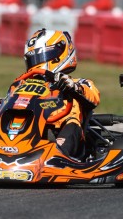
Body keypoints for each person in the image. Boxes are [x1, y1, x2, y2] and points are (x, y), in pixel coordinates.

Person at [17, 28, 100, 159]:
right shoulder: (23, 85)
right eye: (33, 59)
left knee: (71, 123)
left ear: (57, 57)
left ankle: (57, 156)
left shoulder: (77, 83)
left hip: (64, 131)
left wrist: (73, 87)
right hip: (34, 128)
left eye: (40, 57)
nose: (36, 63)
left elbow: (94, 97)